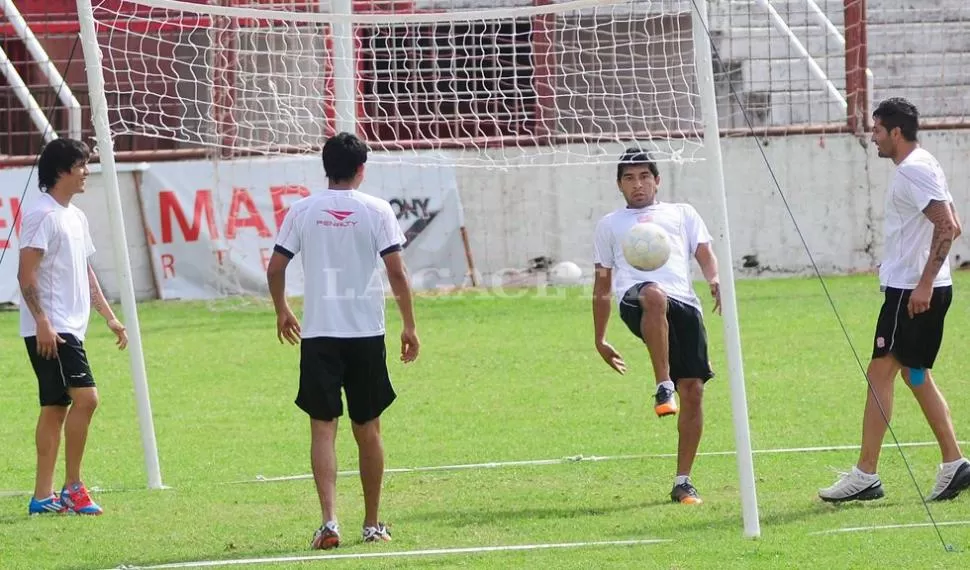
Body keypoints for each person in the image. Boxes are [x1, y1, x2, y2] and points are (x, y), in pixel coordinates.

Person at [266, 132, 419, 549]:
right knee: (368, 429)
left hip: (319, 335)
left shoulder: (301, 209)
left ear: (325, 167)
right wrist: (409, 324)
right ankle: (371, 524)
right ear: (361, 169)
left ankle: (330, 522)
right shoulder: (376, 209)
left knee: (322, 429)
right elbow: (397, 272)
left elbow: (276, 266)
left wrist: (282, 309)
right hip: (366, 333)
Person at [819, 97, 970, 503]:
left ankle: (865, 474)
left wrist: (921, 285)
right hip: (924, 287)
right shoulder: (925, 163)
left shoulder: (913, 171)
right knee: (914, 373)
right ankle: (954, 462)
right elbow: (951, 221)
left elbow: (947, 226)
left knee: (879, 374)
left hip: (913, 294)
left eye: (877, 131)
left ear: (896, 133)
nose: (873, 138)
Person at [592, 147, 722, 505]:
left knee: (694, 389)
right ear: (619, 185)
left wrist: (714, 279)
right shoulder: (610, 224)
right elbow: (602, 284)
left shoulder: (682, 214)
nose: (638, 184)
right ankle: (663, 385)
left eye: (645, 176)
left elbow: (705, 253)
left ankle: (683, 482)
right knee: (652, 295)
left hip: (684, 303)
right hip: (636, 299)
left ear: (657, 180)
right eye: (630, 178)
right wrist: (600, 337)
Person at [18, 138, 128, 516]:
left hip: (67, 327)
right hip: (53, 329)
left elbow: (84, 269)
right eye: (81, 165)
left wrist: (108, 315)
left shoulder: (75, 216)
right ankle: (72, 488)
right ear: (62, 170)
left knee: (55, 407)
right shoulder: (42, 214)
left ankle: (42, 497)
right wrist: (43, 322)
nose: (87, 172)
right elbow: (25, 275)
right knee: (88, 399)